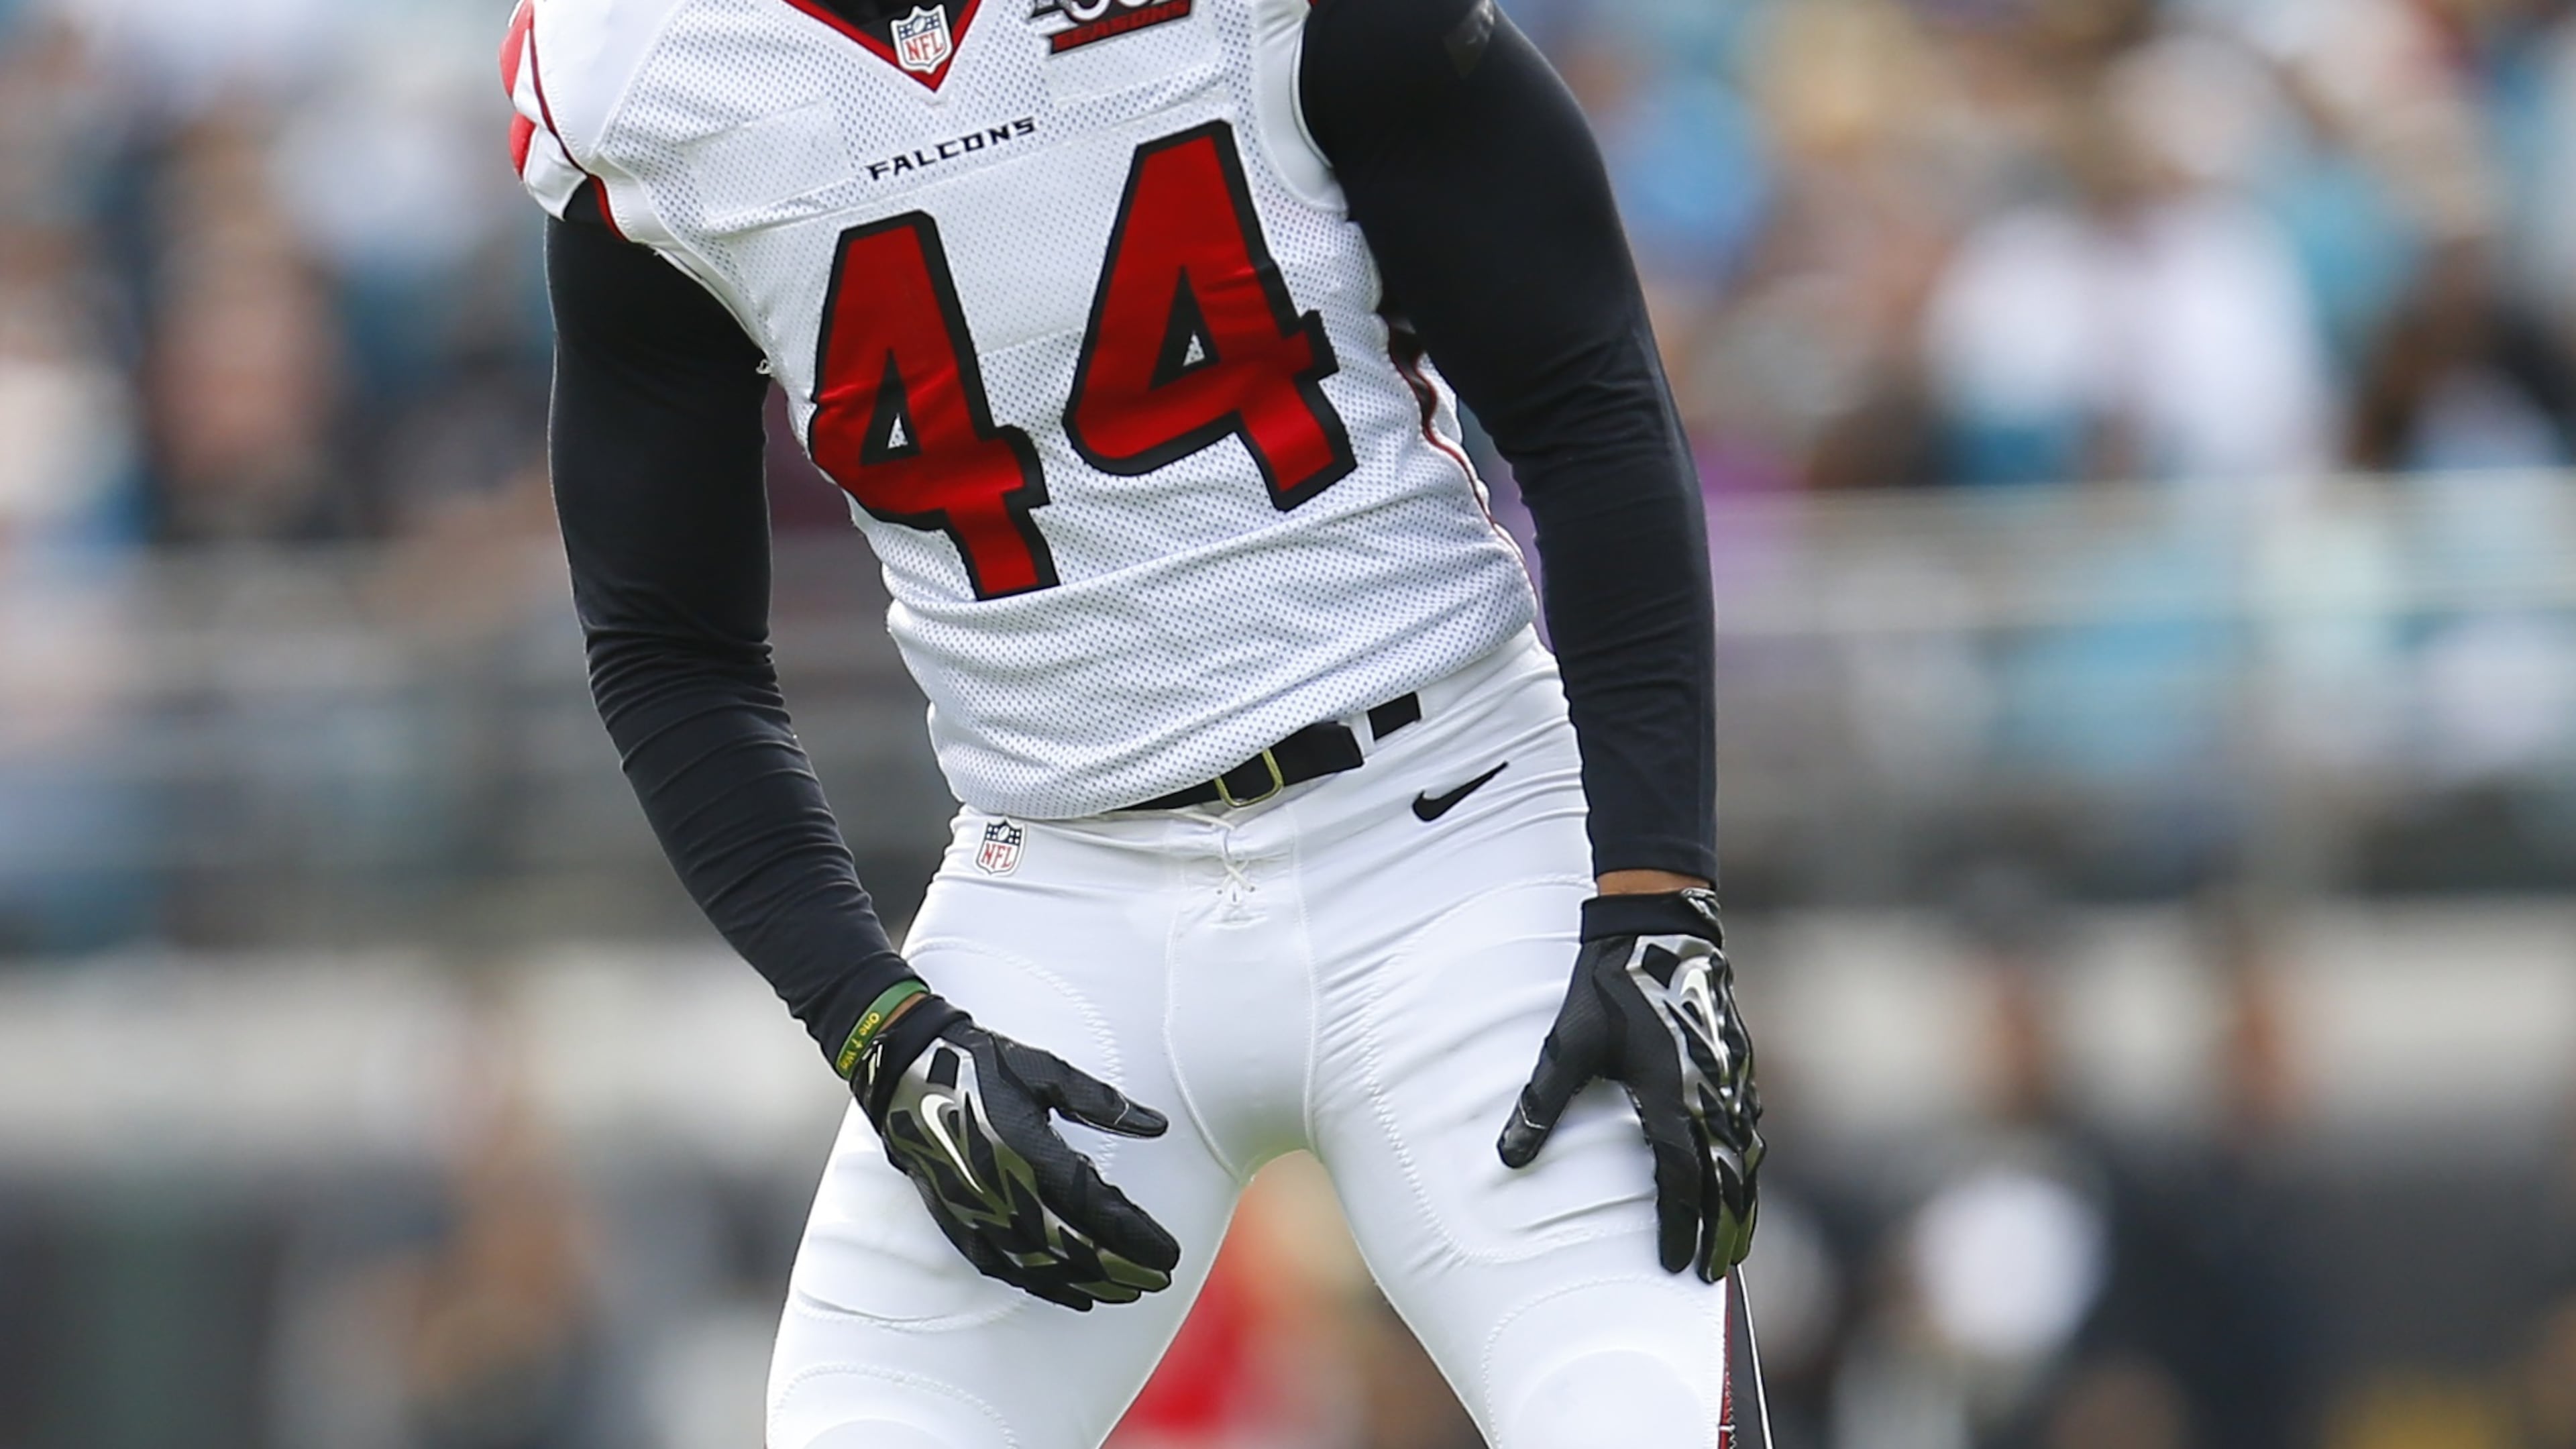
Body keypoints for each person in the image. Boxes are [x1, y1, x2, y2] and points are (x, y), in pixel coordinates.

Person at [500, 0, 1763, 1440]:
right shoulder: (652, 73)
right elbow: (670, 647)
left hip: (1456, 830)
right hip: (1059, 892)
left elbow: (1584, 396)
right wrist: (877, 1026)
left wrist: (1656, 889)